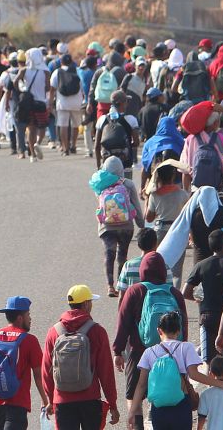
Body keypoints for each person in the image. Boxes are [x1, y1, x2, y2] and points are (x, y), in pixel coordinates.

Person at [114, 252, 187, 430]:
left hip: (139, 352)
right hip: (171, 354)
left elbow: (122, 321)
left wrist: (118, 350)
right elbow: (183, 324)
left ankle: (137, 426)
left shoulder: (135, 291)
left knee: (134, 395)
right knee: (168, 391)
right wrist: (182, 350)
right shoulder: (175, 294)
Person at [128, 310, 223, 430]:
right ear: (178, 331)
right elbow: (194, 375)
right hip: (181, 404)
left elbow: (141, 385)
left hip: (158, 407)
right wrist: (221, 384)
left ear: (159, 330)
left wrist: (132, 411)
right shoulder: (185, 347)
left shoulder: (149, 352)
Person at [41, 285, 120, 430]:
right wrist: (112, 404)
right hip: (90, 400)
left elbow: (46, 369)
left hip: (62, 401)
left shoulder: (54, 332)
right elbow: (106, 371)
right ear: (85, 304)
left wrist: (50, 399)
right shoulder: (97, 331)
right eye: (90, 301)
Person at [0, 296, 48, 429]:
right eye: (28, 315)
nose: (30, 319)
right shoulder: (29, 340)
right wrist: (45, 400)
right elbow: (39, 375)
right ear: (20, 318)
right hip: (17, 403)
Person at [91, 156, 145, 297]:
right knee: (122, 255)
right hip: (126, 226)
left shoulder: (100, 185)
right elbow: (136, 206)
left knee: (109, 253)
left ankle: (110, 285)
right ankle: (122, 287)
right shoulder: (128, 184)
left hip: (107, 227)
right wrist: (141, 224)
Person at [183, 229, 223, 361]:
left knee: (208, 359)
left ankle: (210, 381)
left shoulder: (201, 265)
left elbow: (185, 292)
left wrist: (199, 299)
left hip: (207, 316)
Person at [51, 54, 85, 157]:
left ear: (61, 62)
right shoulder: (77, 71)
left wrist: (49, 102)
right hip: (76, 101)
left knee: (63, 125)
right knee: (75, 125)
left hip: (62, 102)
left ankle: (65, 149)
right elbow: (82, 87)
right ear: (71, 62)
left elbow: (52, 88)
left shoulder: (57, 72)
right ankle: (73, 145)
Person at [96, 91, 139, 171]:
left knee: (109, 183)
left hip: (107, 163)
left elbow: (97, 146)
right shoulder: (131, 119)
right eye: (126, 101)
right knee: (126, 183)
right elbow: (136, 142)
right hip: (125, 164)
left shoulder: (102, 119)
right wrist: (127, 145)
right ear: (122, 103)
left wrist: (99, 166)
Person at [118, 227, 160, 294]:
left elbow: (122, 293)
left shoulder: (129, 265)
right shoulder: (163, 266)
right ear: (156, 244)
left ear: (138, 245)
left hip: (133, 303)